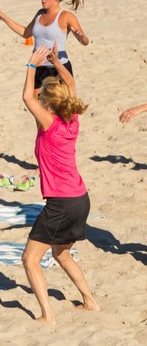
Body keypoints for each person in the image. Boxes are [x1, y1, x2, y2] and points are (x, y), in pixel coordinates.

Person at [20, 46, 99, 322]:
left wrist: (32, 64)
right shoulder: (71, 118)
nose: (38, 99)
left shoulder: (49, 123)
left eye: (42, 97)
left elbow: (26, 96)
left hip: (62, 203)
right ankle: (90, 301)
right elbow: (72, 83)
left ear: (48, 105)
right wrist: (55, 62)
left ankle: (47, 314)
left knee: (30, 259)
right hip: (80, 198)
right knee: (62, 254)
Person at [0, 0, 90, 91]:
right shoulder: (39, 13)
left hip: (58, 68)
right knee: (35, 105)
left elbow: (85, 42)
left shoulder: (66, 16)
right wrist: (3, 17)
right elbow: (25, 33)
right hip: (38, 67)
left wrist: (81, 37)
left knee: (60, 107)